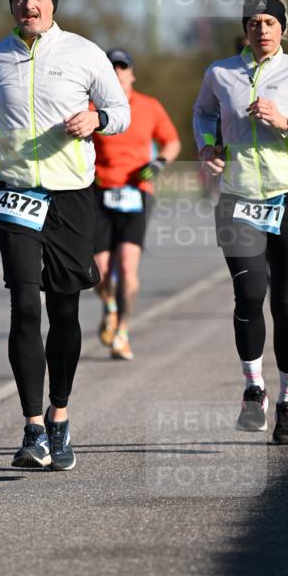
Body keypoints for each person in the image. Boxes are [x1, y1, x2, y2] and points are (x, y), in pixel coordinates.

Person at [0, 0, 130, 472]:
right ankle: (32, 427)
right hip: (15, 195)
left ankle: (60, 417)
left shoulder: (84, 53)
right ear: (10, 4)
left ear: (53, 2)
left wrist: (97, 119)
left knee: (63, 312)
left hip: (72, 198)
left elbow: (120, 111)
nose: (29, 4)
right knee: (24, 307)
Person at [193, 0, 288, 444]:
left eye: (269, 23)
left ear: (282, 28)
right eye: (253, 23)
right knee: (250, 295)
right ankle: (253, 389)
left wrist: (287, 125)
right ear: (244, 29)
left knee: (286, 306)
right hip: (238, 203)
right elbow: (201, 113)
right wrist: (206, 146)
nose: (261, 30)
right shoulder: (221, 73)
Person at [93, 49, 181, 360]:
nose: (117, 72)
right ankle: (110, 306)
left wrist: (160, 162)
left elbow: (172, 141)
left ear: (132, 74)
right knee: (98, 272)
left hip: (137, 191)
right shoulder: (91, 107)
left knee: (128, 267)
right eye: (111, 67)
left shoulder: (149, 106)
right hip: (98, 190)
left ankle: (122, 333)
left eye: (122, 67)